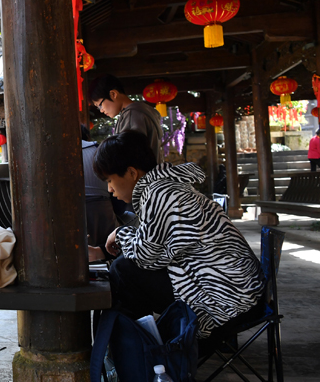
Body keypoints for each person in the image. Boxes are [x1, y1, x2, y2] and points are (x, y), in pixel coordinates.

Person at [87, 131, 264, 339]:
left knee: (124, 271)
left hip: (225, 300)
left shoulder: (160, 194)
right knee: (124, 269)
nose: (109, 189)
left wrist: (121, 233)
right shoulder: (165, 188)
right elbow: (156, 246)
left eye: (110, 180)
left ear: (132, 173)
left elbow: (145, 257)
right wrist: (110, 246)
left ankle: (141, 352)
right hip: (239, 291)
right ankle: (142, 350)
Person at [89, 74, 164, 164]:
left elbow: (130, 157)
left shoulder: (132, 115)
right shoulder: (141, 111)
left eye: (100, 105)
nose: (101, 110)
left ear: (113, 94)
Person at [81, 124, 117, 246]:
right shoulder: (97, 149)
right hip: (102, 209)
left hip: (70, 210)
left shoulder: (55, 152)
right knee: (108, 249)